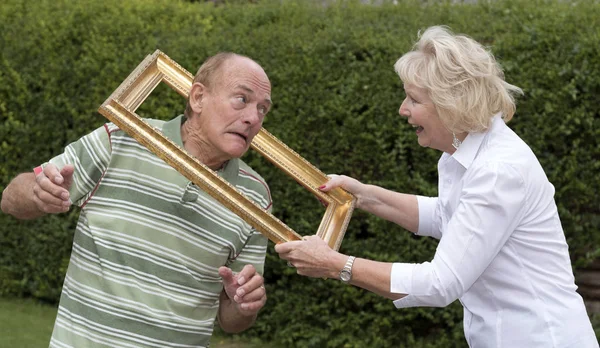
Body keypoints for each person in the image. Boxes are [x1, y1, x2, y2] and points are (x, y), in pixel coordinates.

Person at [275, 26, 598, 348]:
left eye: (413, 99)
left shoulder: (498, 170)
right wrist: (363, 195)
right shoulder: (463, 152)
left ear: (452, 104)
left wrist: (335, 265)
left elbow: (440, 284)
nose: (402, 109)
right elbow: (448, 215)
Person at [1, 52, 273, 348]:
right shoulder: (120, 140)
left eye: (263, 109)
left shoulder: (256, 197)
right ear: (198, 97)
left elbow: (232, 319)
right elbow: (10, 198)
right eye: (242, 100)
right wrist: (38, 192)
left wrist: (245, 304)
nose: (253, 118)